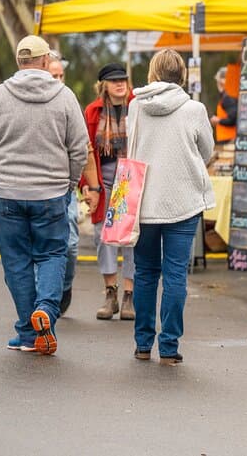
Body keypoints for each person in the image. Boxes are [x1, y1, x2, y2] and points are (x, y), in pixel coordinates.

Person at [0, 35, 88, 355]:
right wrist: (71, 181)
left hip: (6, 191)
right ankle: (46, 312)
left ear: (18, 60)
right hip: (50, 192)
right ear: (46, 59)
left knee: (17, 262)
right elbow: (79, 148)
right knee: (51, 254)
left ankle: (27, 332)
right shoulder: (64, 97)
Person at [129, 49, 215, 364]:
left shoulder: (135, 106)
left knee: (145, 273)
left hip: (144, 202)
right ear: (181, 75)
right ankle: (169, 347)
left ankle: (142, 343)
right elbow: (206, 150)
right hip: (183, 201)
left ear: (152, 72)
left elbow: (132, 145)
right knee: (176, 273)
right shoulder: (195, 109)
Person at [81, 62, 137, 320]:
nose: (119, 84)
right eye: (114, 80)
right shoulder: (93, 111)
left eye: (123, 79)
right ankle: (110, 292)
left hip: (131, 174)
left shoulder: (137, 106)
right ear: (103, 84)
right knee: (103, 237)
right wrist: (88, 186)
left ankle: (129, 295)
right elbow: (86, 151)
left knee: (131, 237)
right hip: (103, 177)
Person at [48, 53, 98, 315]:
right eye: (52, 75)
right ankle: (43, 299)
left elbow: (83, 149)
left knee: (69, 244)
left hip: (66, 187)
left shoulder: (70, 102)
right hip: (38, 187)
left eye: (60, 76)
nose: (57, 80)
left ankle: (65, 286)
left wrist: (88, 185)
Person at [210, 66, 238, 143]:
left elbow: (233, 119)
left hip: (229, 140)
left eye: (218, 81)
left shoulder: (228, 98)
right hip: (226, 138)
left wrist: (218, 120)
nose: (217, 84)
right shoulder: (227, 96)